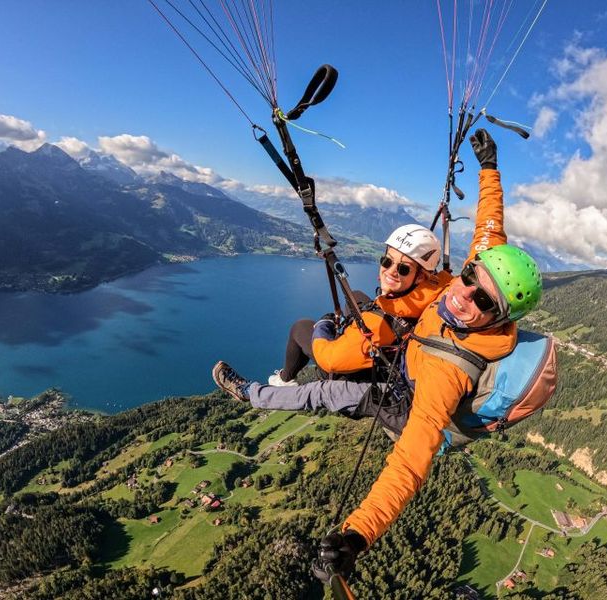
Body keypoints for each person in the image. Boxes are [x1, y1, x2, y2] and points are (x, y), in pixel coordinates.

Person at [212, 129, 544, 582]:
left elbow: (410, 463)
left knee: (327, 393)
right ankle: (275, 387)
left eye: (484, 303)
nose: (467, 296)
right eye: (469, 277)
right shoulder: (464, 281)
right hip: (403, 362)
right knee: (353, 344)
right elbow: (490, 225)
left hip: (403, 403)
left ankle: (253, 395)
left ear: (497, 317)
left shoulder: (449, 372)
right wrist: (490, 167)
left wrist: (357, 536)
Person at [266, 223, 449, 387]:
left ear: (421, 276)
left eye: (403, 269)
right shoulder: (440, 285)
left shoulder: (376, 325)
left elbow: (330, 360)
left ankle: (285, 378)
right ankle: (351, 336)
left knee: (301, 326)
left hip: (358, 372)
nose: (390, 271)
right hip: (395, 337)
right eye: (387, 261)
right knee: (355, 296)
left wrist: (324, 325)